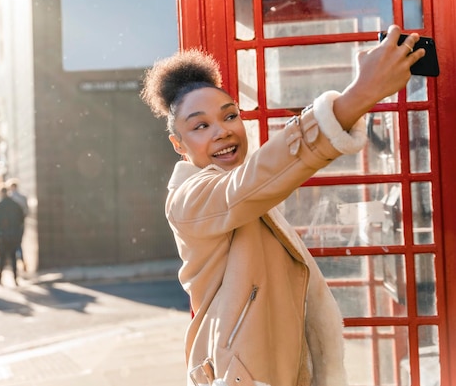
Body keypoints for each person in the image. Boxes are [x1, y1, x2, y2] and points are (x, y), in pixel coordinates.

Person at [139, 24, 425, 386]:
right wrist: (359, 95)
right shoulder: (189, 200)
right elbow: (252, 181)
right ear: (178, 144)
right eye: (200, 126)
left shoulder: (249, 193)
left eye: (230, 116)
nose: (223, 131)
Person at [0, 183, 25, 286]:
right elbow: (22, 219)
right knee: (13, 257)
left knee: (1, 258)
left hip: (2, 236)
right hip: (14, 235)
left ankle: (0, 278)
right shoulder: (15, 205)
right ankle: (15, 278)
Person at [6, 178, 28, 272]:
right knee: (19, 244)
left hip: (11, 225)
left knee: (11, 245)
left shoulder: (9, 199)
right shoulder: (22, 197)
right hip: (20, 224)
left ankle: (12, 263)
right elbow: (26, 211)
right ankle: (22, 262)